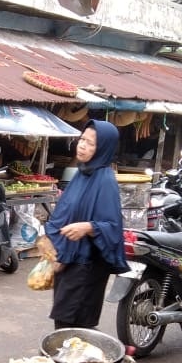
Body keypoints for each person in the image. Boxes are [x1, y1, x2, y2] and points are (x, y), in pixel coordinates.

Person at [39, 120, 129, 329]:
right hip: (70, 260)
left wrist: (88, 227)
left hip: (87, 266)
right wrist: (54, 243)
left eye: (90, 143)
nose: (82, 145)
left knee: (74, 323)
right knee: (65, 320)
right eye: (82, 139)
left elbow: (113, 226)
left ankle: (84, 360)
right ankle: (73, 359)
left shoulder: (104, 181)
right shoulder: (82, 174)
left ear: (103, 149)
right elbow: (65, 211)